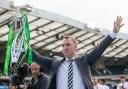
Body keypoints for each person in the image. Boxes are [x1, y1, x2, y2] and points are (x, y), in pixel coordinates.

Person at [32, 16, 124, 89]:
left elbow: (99, 49)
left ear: (75, 47)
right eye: (63, 45)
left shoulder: (84, 59)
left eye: (68, 45)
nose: (65, 47)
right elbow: (37, 57)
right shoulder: (54, 62)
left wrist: (113, 33)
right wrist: (24, 46)